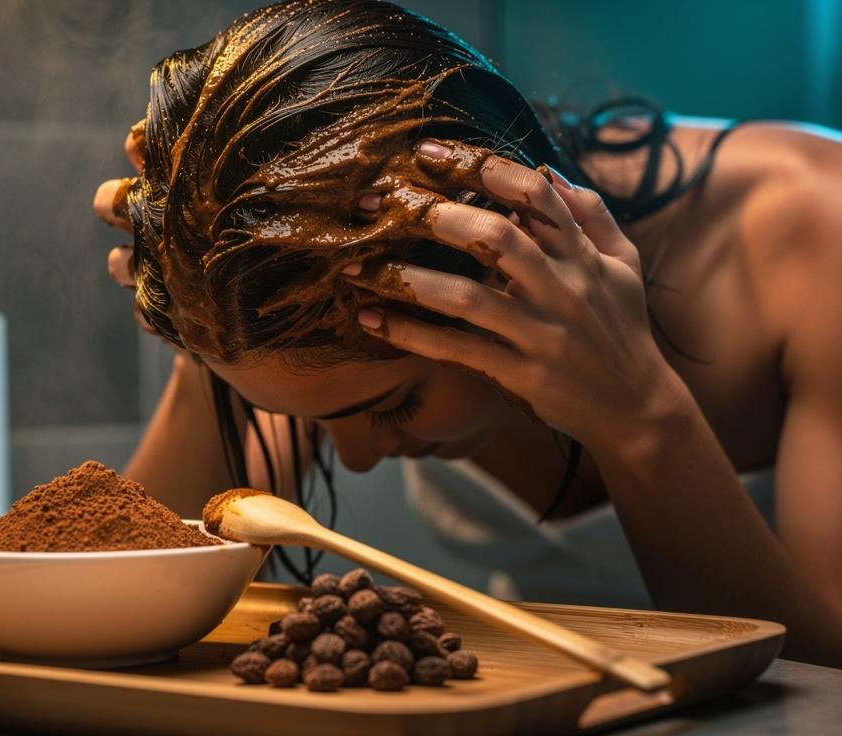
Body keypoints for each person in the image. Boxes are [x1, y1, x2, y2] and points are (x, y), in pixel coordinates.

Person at [91, 0, 842, 666]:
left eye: (394, 406)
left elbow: (824, 679)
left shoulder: (815, 230)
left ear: (498, 255)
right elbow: (129, 597)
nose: (352, 461)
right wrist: (207, 294)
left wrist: (640, 414)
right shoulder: (344, 287)